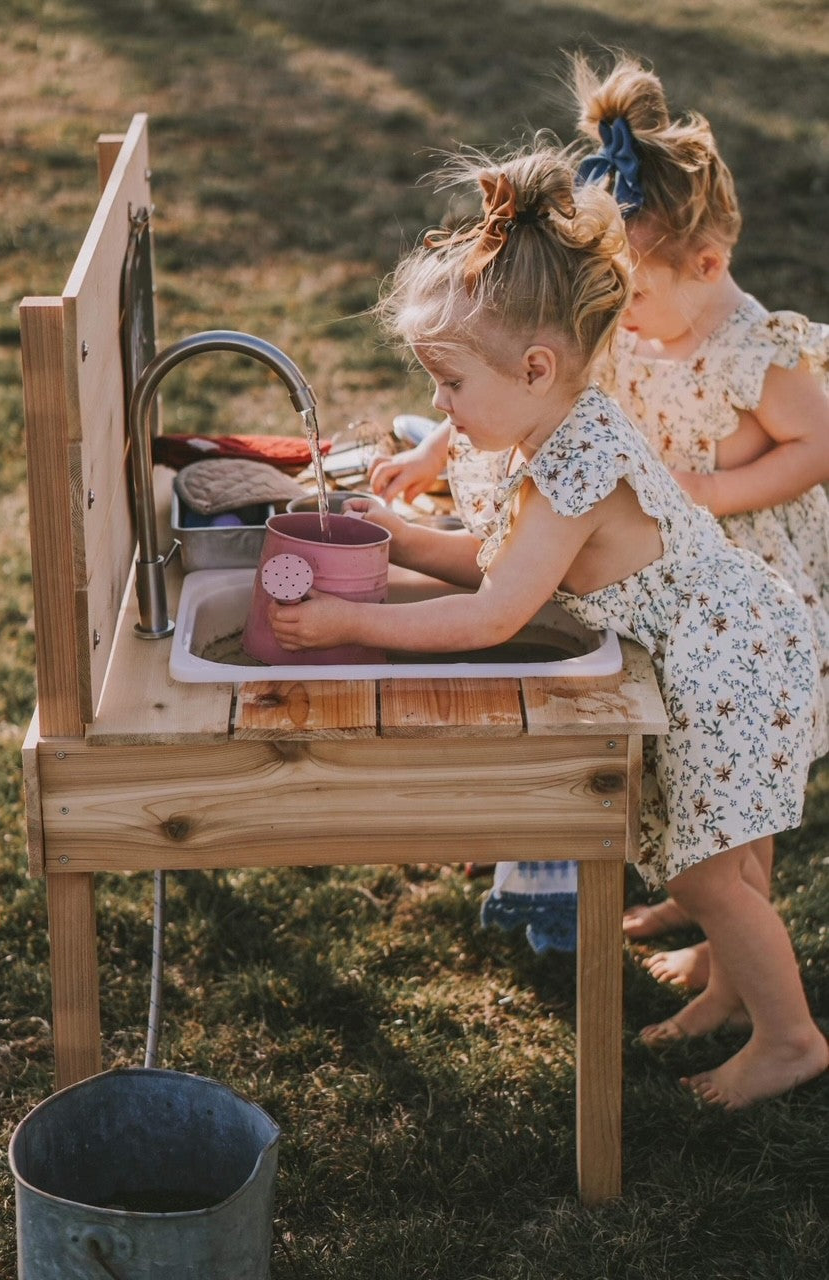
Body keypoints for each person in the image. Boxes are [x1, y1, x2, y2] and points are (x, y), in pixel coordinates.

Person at [269, 143, 828, 1108]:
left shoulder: (576, 459)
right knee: (719, 860)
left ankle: (790, 1039)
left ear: (535, 365)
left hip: (728, 660)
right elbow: (497, 564)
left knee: (704, 873)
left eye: (449, 385)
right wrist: (394, 537)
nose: (438, 407)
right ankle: (728, 991)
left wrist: (351, 616)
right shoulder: (551, 429)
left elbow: (493, 612)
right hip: (717, 646)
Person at [569, 52, 829, 991]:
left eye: (631, 294)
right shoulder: (646, 325)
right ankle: (703, 894)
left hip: (761, 593)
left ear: (708, 264)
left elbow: (817, 449)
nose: (621, 318)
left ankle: (733, 966)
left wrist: (710, 491)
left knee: (736, 777)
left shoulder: (755, 349)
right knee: (684, 748)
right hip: (688, 585)